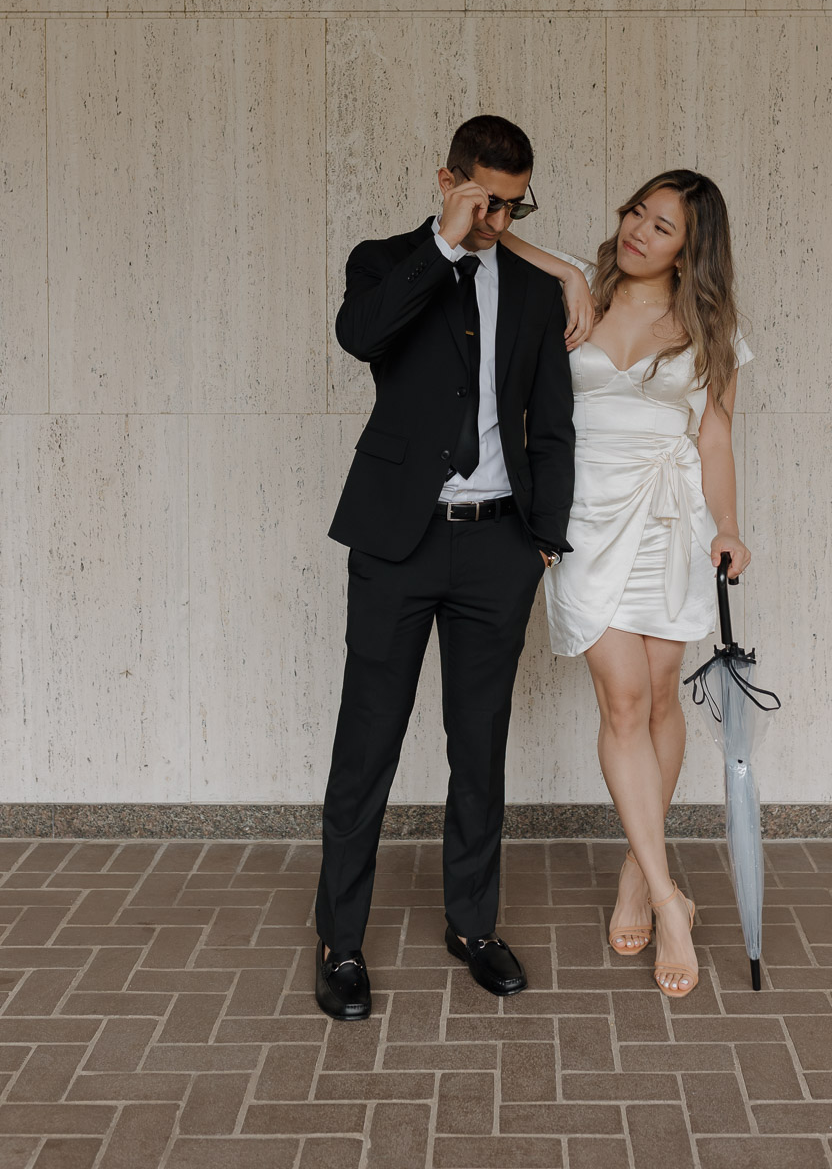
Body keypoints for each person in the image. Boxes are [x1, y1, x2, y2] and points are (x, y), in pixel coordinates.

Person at [315, 115, 575, 1020]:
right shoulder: (385, 262)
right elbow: (360, 337)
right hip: (398, 540)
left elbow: (552, 425)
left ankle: (473, 925)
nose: (498, 220)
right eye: (485, 200)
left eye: (513, 205)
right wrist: (444, 244)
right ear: (448, 181)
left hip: (498, 547)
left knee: (479, 746)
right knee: (367, 743)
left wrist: (543, 540)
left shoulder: (535, 293)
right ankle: (340, 941)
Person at [501, 169, 752, 998]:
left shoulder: (710, 327)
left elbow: (714, 439)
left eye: (663, 226)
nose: (640, 230)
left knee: (658, 697)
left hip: (669, 521)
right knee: (622, 699)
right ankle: (670, 899)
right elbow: (488, 233)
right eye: (638, 213)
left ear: (691, 250)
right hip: (580, 517)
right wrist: (569, 273)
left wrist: (727, 526)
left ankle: (638, 874)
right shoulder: (576, 289)